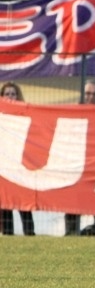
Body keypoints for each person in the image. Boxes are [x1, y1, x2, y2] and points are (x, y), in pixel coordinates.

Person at [0, 82, 35, 236]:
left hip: (21, 167)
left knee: (24, 203)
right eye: (7, 94)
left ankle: (29, 234)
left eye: (13, 94)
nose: (10, 97)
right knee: (6, 203)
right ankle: (8, 235)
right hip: (4, 167)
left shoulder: (26, 115)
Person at [69, 79, 95, 236]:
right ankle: (71, 232)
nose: (91, 97)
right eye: (88, 93)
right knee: (73, 200)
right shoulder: (72, 113)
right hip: (76, 165)